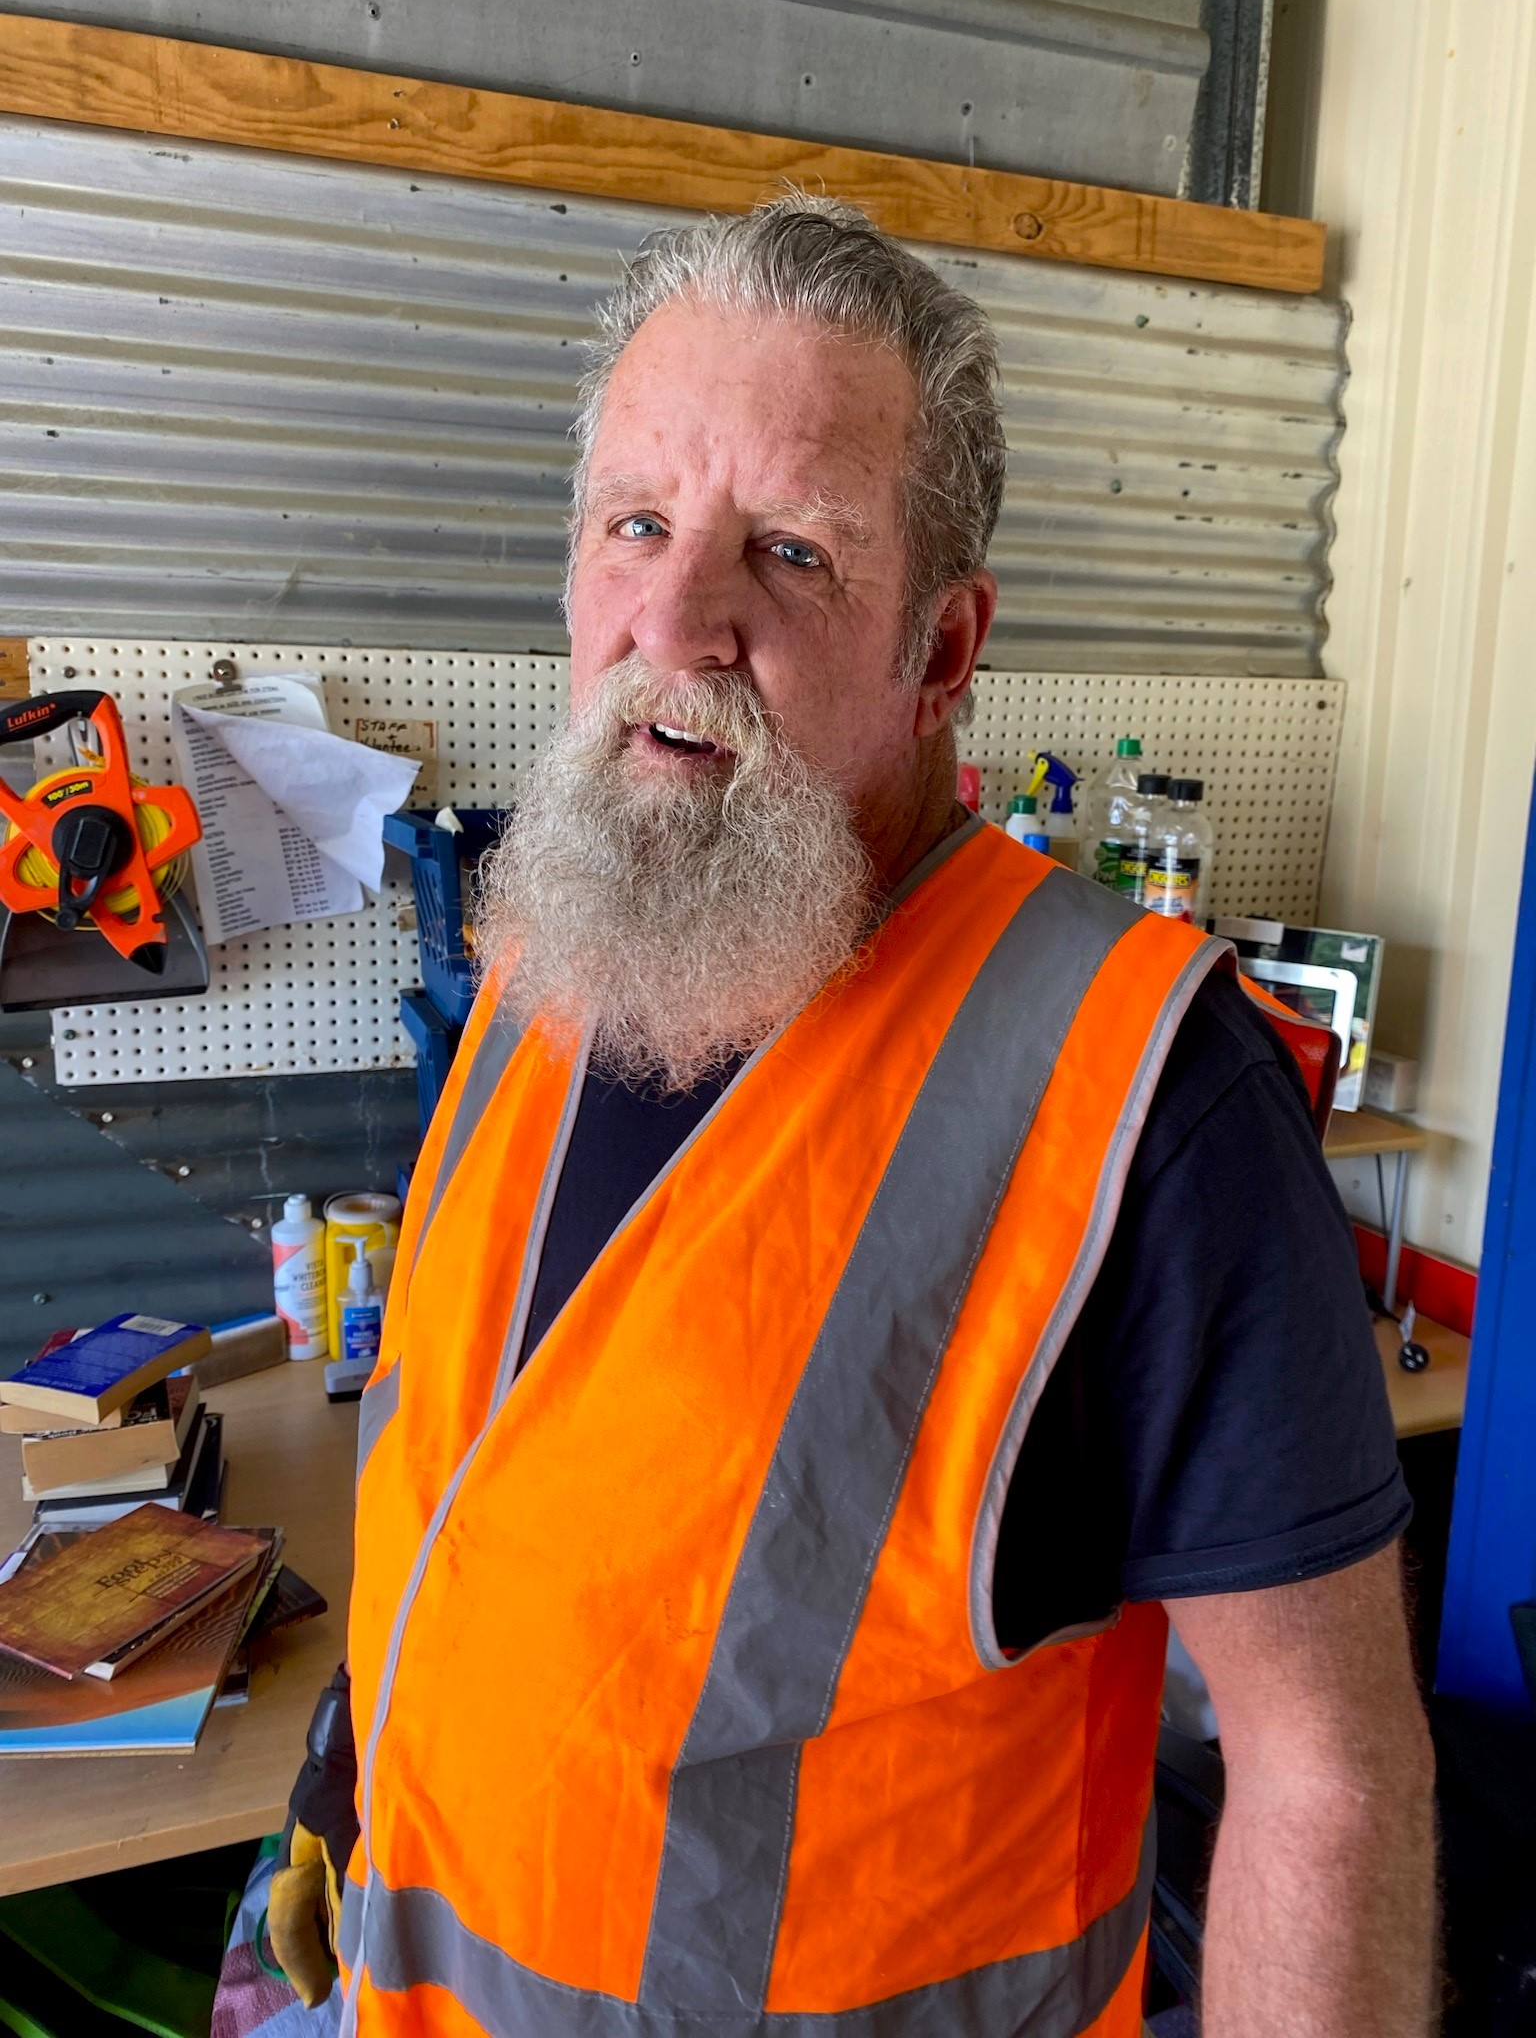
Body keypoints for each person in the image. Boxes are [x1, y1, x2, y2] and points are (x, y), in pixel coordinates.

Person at [273, 195, 1436, 2037]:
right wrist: (337, 1804)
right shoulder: (554, 939)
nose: (676, 621)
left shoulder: (1149, 1091)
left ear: (944, 649)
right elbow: (490, 1490)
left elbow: (1330, 1773)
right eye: (635, 523)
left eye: (792, 553)